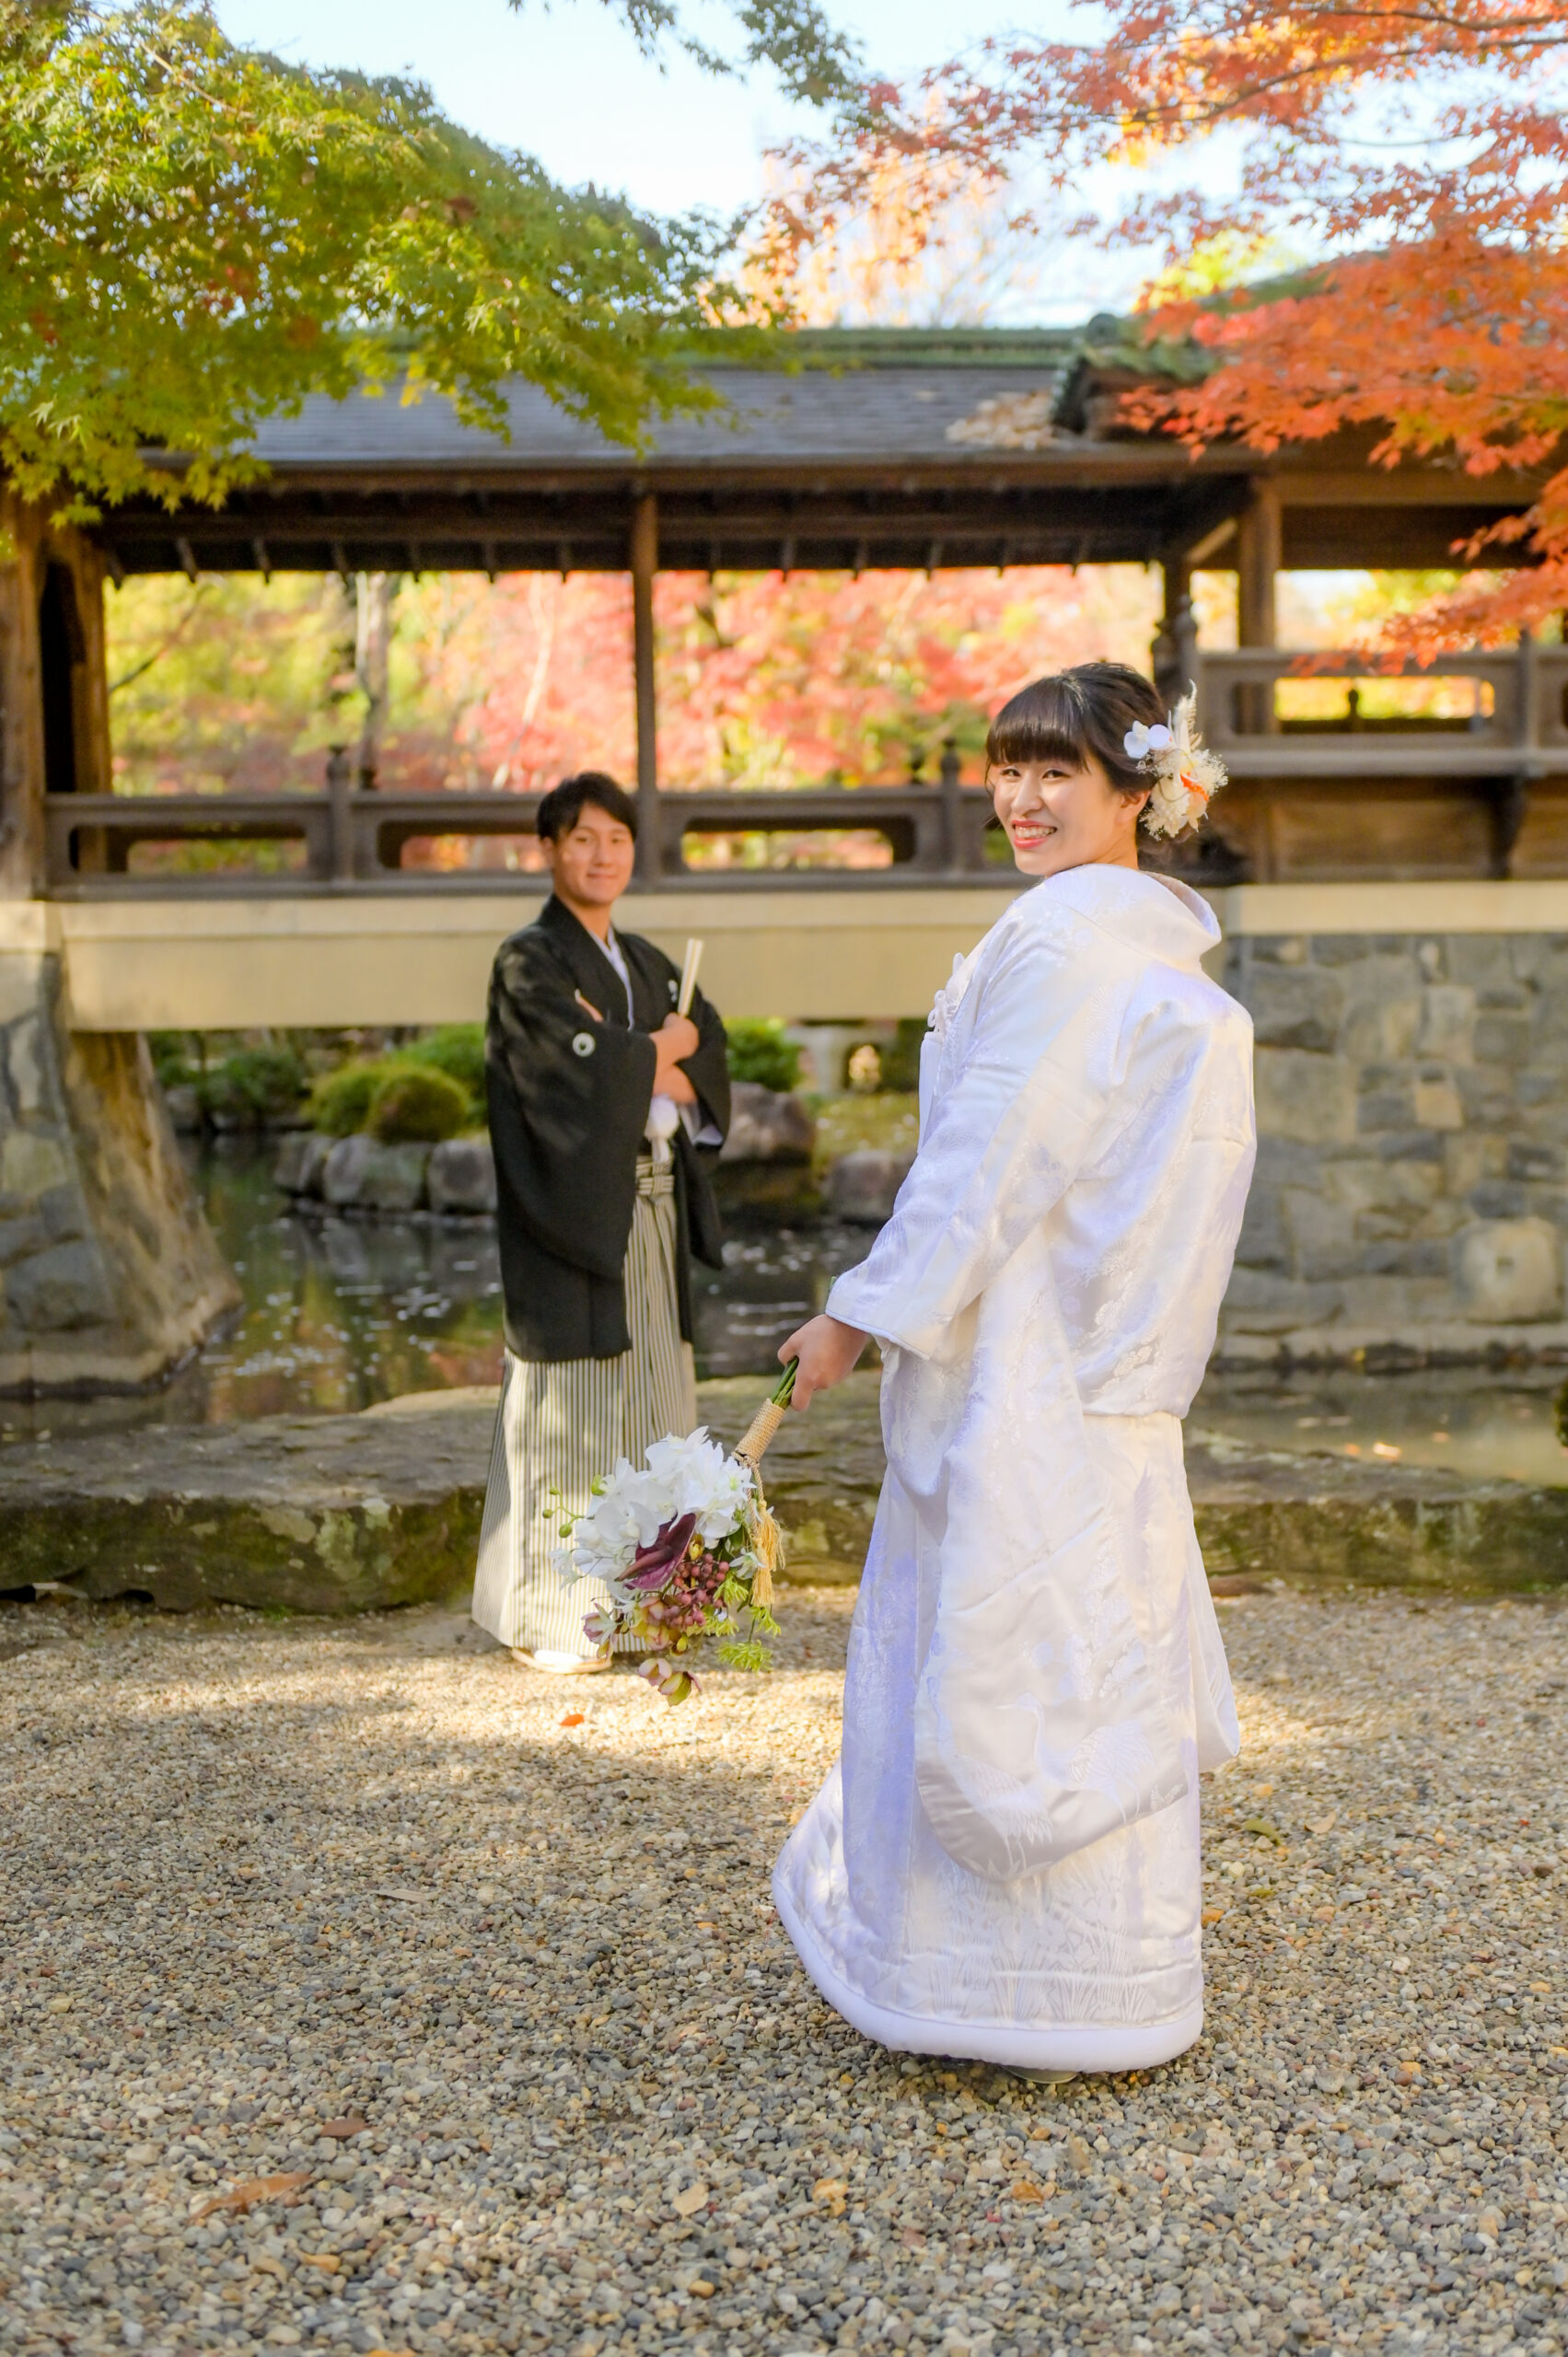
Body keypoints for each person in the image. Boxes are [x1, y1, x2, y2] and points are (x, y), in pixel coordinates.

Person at [771, 663, 1257, 2075]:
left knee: (994, 1638)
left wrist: (858, 1312)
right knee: (1079, 1643)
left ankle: (968, 1977)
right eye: (1006, 768)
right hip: (1090, 1366)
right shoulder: (1141, 942)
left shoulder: (1061, 940)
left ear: (1133, 790)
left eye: (1056, 772)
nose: (1022, 799)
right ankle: (1102, 1981)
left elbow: (988, 1154)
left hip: (1017, 1364)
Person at [471, 772, 730, 1672]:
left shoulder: (649, 961)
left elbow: (708, 1052)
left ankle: (653, 1610)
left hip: (652, 1208)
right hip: (572, 1214)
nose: (601, 855)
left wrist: (643, 1056)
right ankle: (558, 1617)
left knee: (659, 1401)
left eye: (616, 838)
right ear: (548, 849)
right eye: (581, 838)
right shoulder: (528, 963)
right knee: (570, 1412)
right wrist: (656, 1051)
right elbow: (569, 1075)